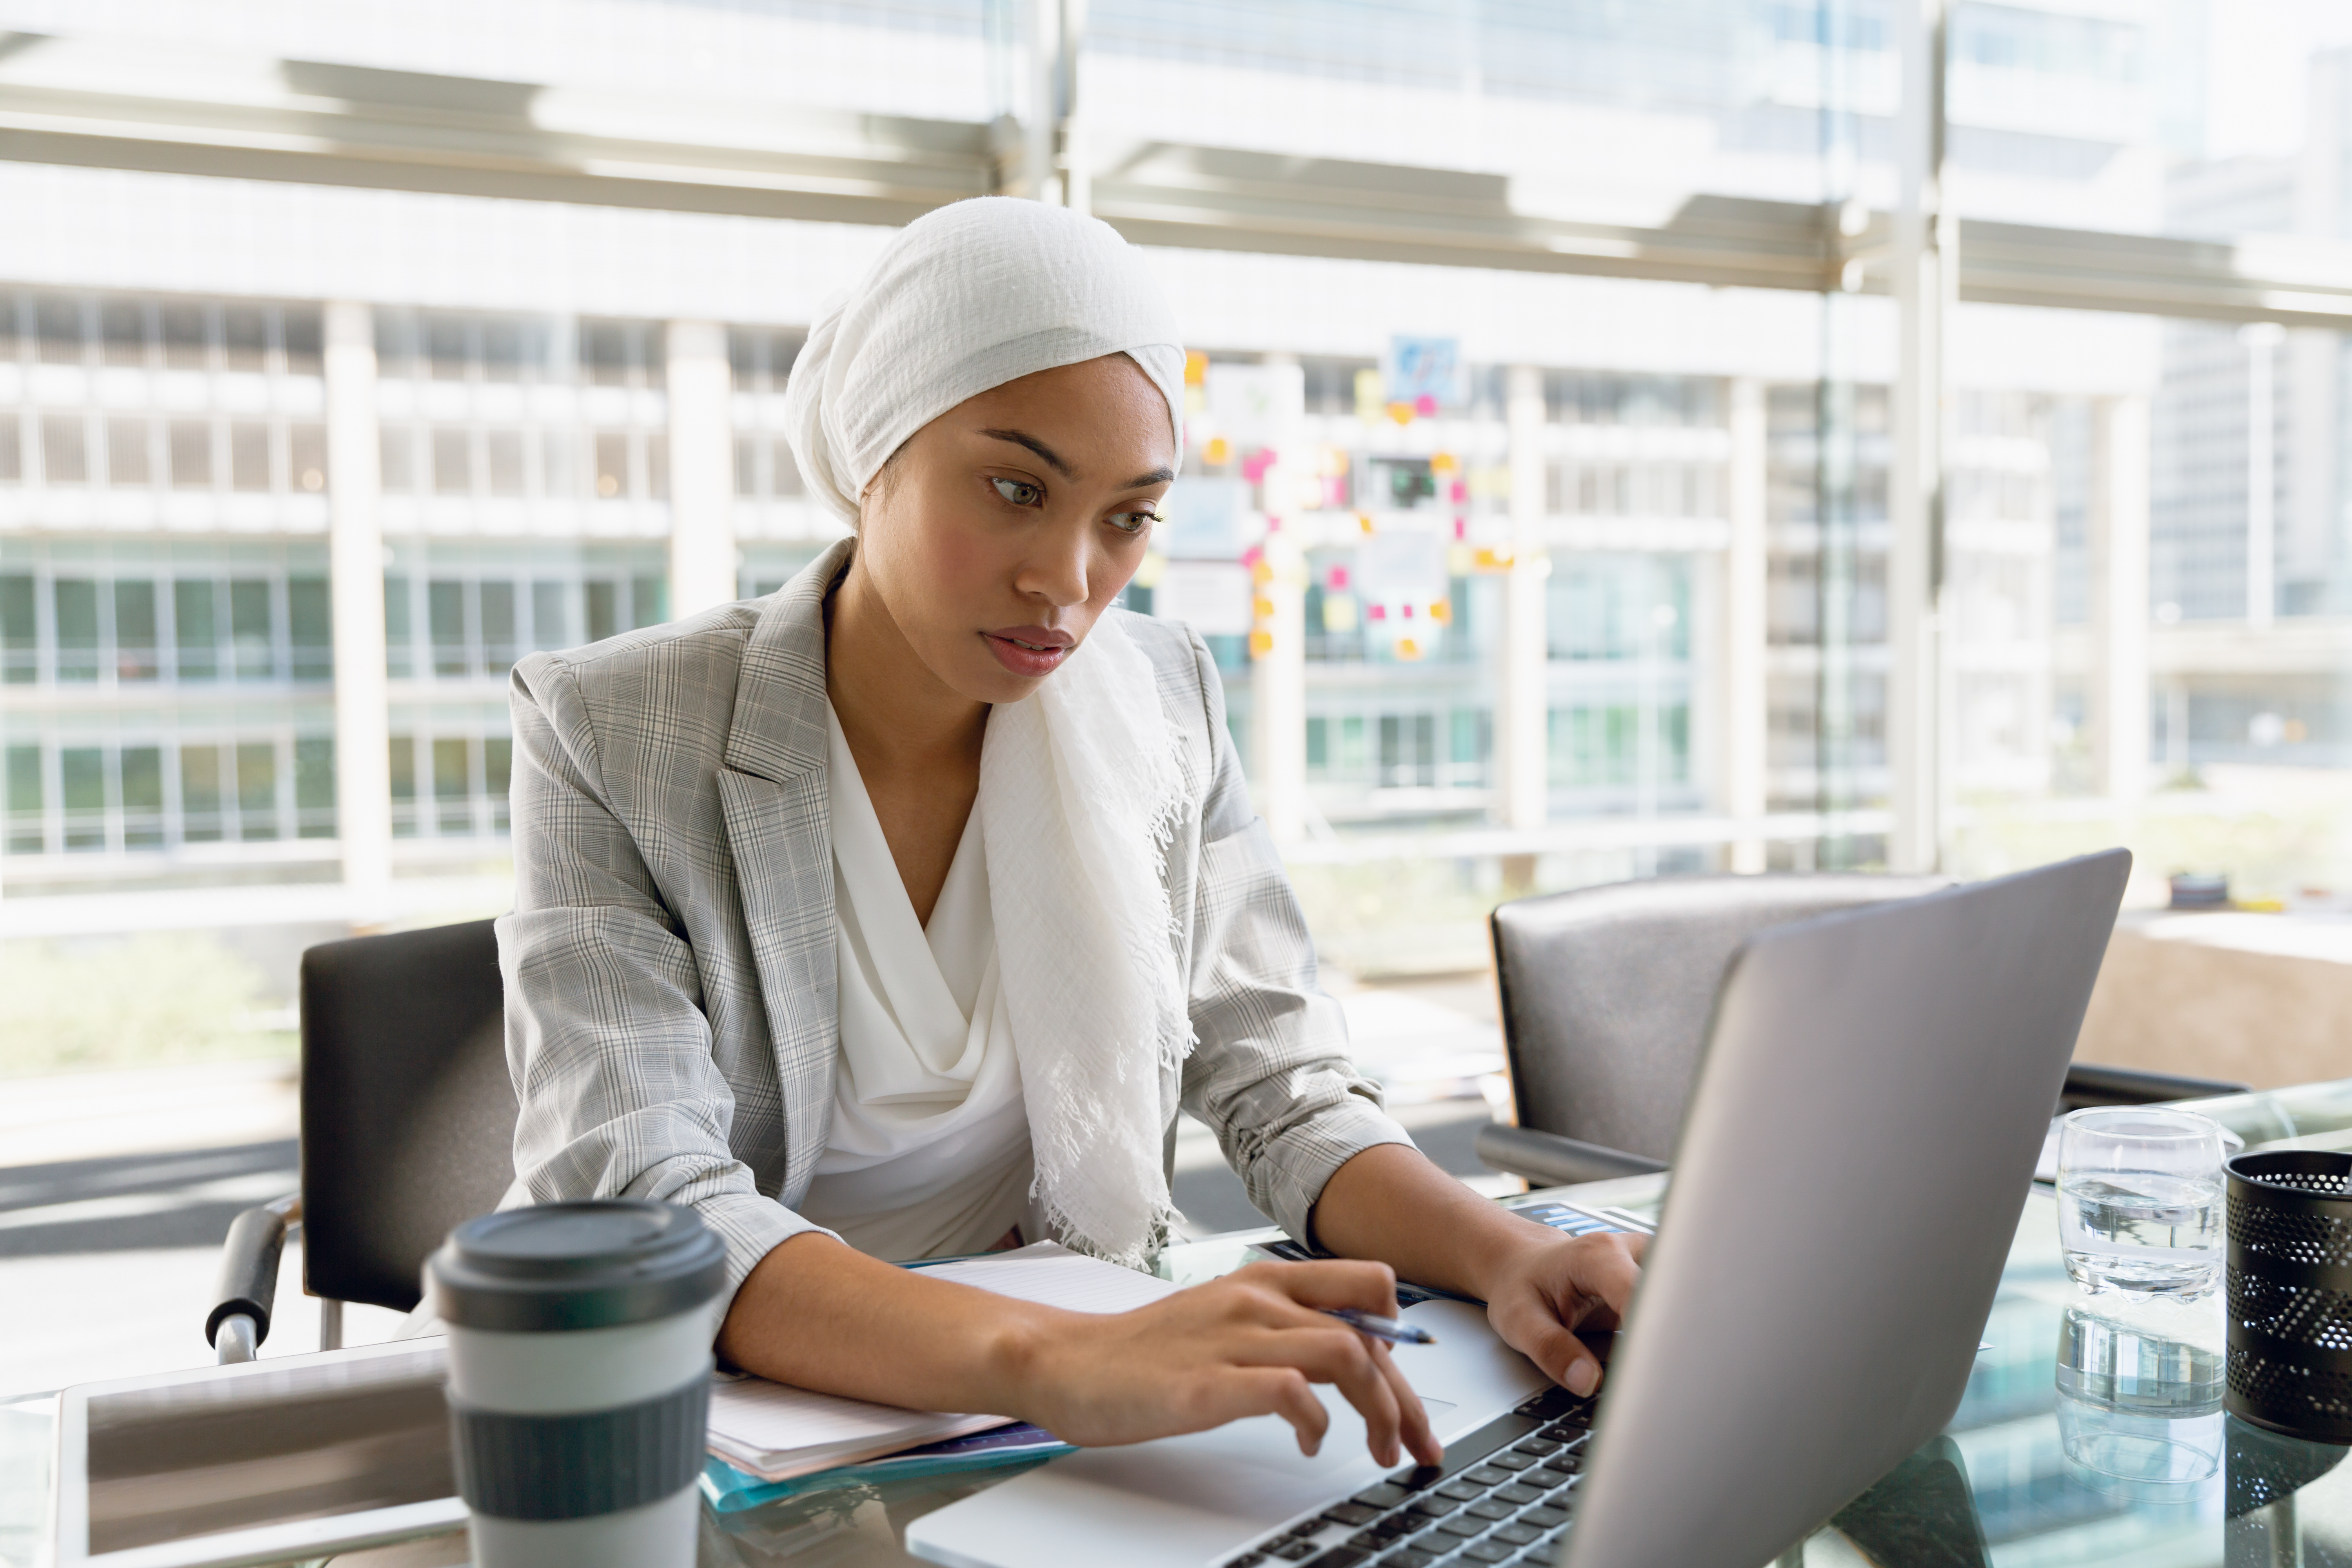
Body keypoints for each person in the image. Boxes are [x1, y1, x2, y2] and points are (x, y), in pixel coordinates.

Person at [499, 196, 1642, 1470]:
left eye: (1128, 516)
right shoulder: (614, 726)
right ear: (874, 455)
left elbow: (1280, 1084)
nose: (1069, 580)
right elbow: (652, 1208)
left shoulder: (1159, 700)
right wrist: (1056, 1359)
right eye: (1014, 488)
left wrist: (1514, 1254)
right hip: (714, 1429)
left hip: (1037, 1407)